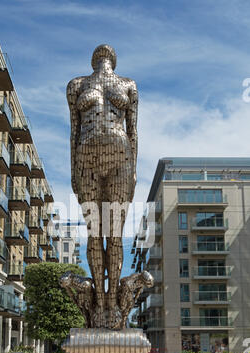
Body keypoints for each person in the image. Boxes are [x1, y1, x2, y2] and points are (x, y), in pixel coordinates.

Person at [67, 44, 138, 328]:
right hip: (87, 159)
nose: (103, 52)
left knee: (115, 235)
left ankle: (111, 302)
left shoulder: (128, 84)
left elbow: (133, 130)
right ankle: (98, 300)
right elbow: (73, 129)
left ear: (113, 61)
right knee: (95, 234)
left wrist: (134, 173)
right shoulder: (76, 84)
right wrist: (74, 168)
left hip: (121, 157)